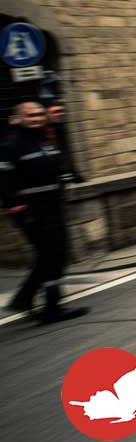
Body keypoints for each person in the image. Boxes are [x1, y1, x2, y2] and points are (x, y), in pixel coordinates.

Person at [1, 102, 88, 323]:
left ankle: (24, 298)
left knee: (51, 255)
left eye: (40, 114)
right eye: (30, 115)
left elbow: (56, 171)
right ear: (18, 118)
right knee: (52, 255)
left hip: (53, 207)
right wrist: (19, 209)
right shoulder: (11, 145)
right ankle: (51, 307)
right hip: (32, 212)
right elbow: (4, 182)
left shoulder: (44, 140)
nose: (37, 118)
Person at [44, 101, 84, 184]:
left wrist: (75, 175)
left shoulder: (59, 129)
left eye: (62, 111)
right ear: (47, 113)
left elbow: (65, 154)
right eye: (56, 112)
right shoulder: (43, 132)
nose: (60, 114)